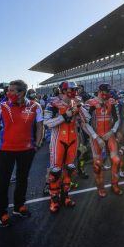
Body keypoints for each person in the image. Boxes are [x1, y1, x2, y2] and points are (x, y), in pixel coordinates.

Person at [0, 79, 42, 227]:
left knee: (22, 179)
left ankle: (19, 206)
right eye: (8, 90)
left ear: (22, 92)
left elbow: (39, 126)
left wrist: (37, 144)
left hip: (27, 150)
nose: (8, 93)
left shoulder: (35, 106)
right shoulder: (2, 106)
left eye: (12, 90)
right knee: (2, 182)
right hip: (6, 150)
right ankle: (1, 213)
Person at [43, 81, 86, 213]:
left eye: (75, 89)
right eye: (71, 89)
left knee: (69, 169)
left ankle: (65, 196)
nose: (74, 92)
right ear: (63, 90)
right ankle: (54, 199)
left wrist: (81, 107)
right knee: (55, 172)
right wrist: (64, 116)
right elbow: (47, 123)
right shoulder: (52, 103)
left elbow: (86, 120)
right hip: (58, 140)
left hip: (73, 139)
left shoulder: (77, 103)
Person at [82, 83, 123, 197]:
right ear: (100, 91)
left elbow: (117, 119)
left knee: (116, 160)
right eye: (105, 92)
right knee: (98, 164)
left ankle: (115, 185)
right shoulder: (90, 103)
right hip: (96, 136)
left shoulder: (112, 102)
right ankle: (100, 188)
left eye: (109, 92)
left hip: (109, 134)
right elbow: (85, 123)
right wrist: (96, 137)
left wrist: (112, 131)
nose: (108, 94)